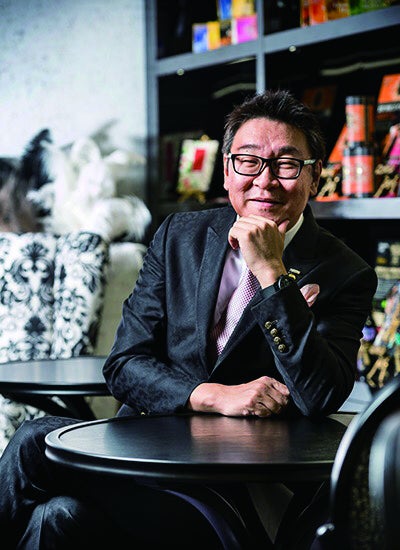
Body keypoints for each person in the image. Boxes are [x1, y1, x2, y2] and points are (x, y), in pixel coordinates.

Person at [0, 89, 377, 549]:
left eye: (286, 164)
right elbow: (124, 365)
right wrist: (213, 395)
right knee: (57, 512)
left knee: (36, 448)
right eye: (249, 161)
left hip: (233, 487)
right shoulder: (179, 236)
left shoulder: (346, 272)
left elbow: (320, 395)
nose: (265, 180)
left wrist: (272, 275)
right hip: (144, 456)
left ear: (314, 176)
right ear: (227, 170)